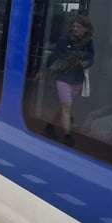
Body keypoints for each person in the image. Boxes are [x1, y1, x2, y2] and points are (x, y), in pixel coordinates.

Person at [39, 14, 94, 146]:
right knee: (67, 106)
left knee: (64, 106)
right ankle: (67, 135)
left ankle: (49, 126)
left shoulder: (88, 42)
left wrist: (87, 63)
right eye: (74, 26)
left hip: (77, 80)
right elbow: (54, 56)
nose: (75, 29)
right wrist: (42, 69)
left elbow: (92, 57)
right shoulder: (64, 40)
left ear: (85, 29)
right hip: (63, 78)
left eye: (78, 27)